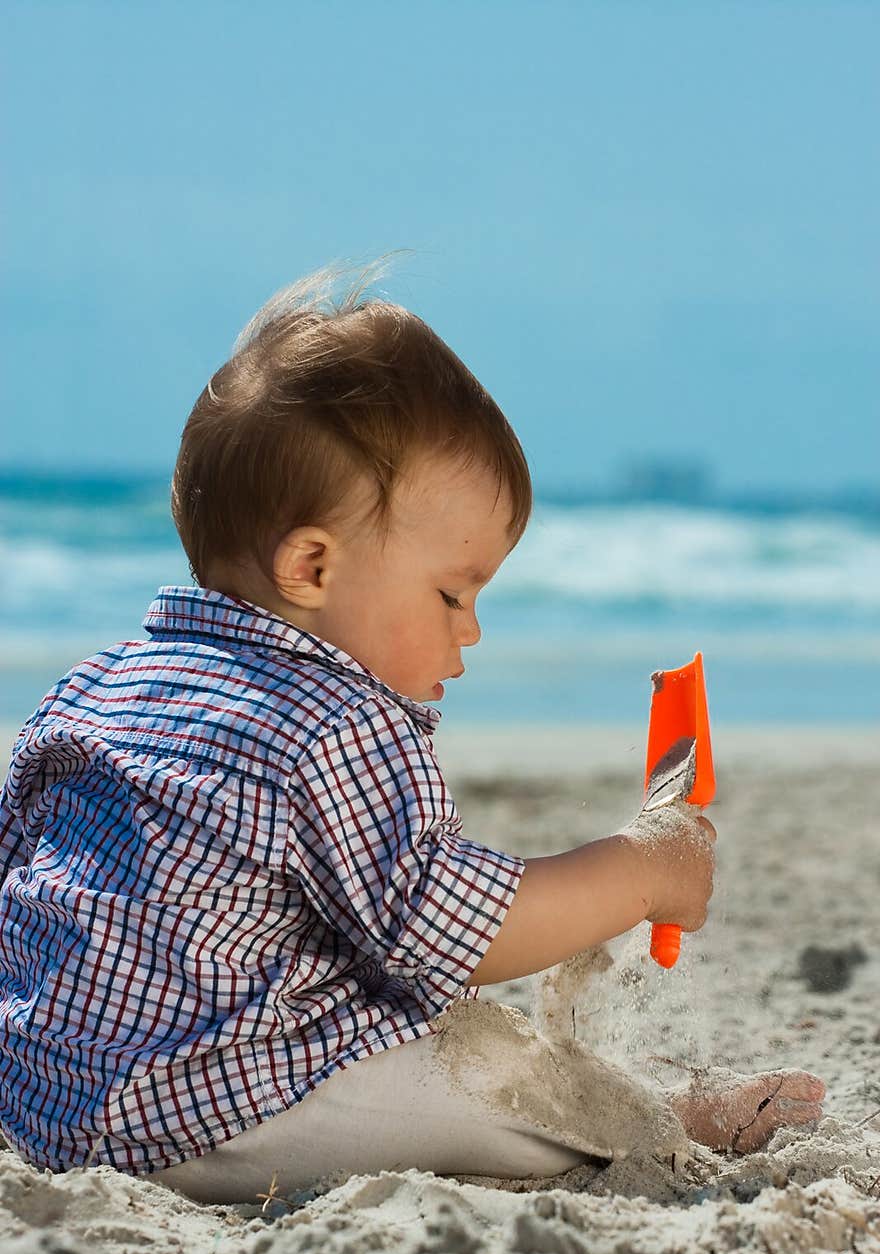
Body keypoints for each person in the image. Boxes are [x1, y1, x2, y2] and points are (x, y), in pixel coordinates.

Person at [0, 261, 824, 1203]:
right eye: (451, 593)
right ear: (311, 565)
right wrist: (645, 869)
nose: (469, 628)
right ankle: (661, 1116)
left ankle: (634, 1101)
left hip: (40, 1097)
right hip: (202, 1109)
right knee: (498, 1081)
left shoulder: (99, 684)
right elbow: (460, 930)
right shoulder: (330, 718)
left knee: (408, 1015)